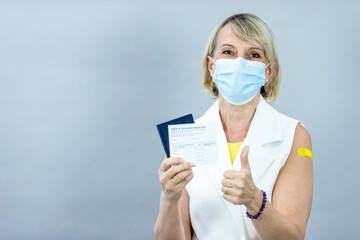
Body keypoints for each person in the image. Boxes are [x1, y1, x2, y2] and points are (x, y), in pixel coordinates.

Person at [154, 13, 313, 240]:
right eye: (228, 52)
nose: (239, 63)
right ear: (212, 66)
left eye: (253, 55)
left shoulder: (293, 135)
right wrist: (168, 198)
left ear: (268, 72)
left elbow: (293, 237)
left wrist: (255, 202)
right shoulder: (184, 136)